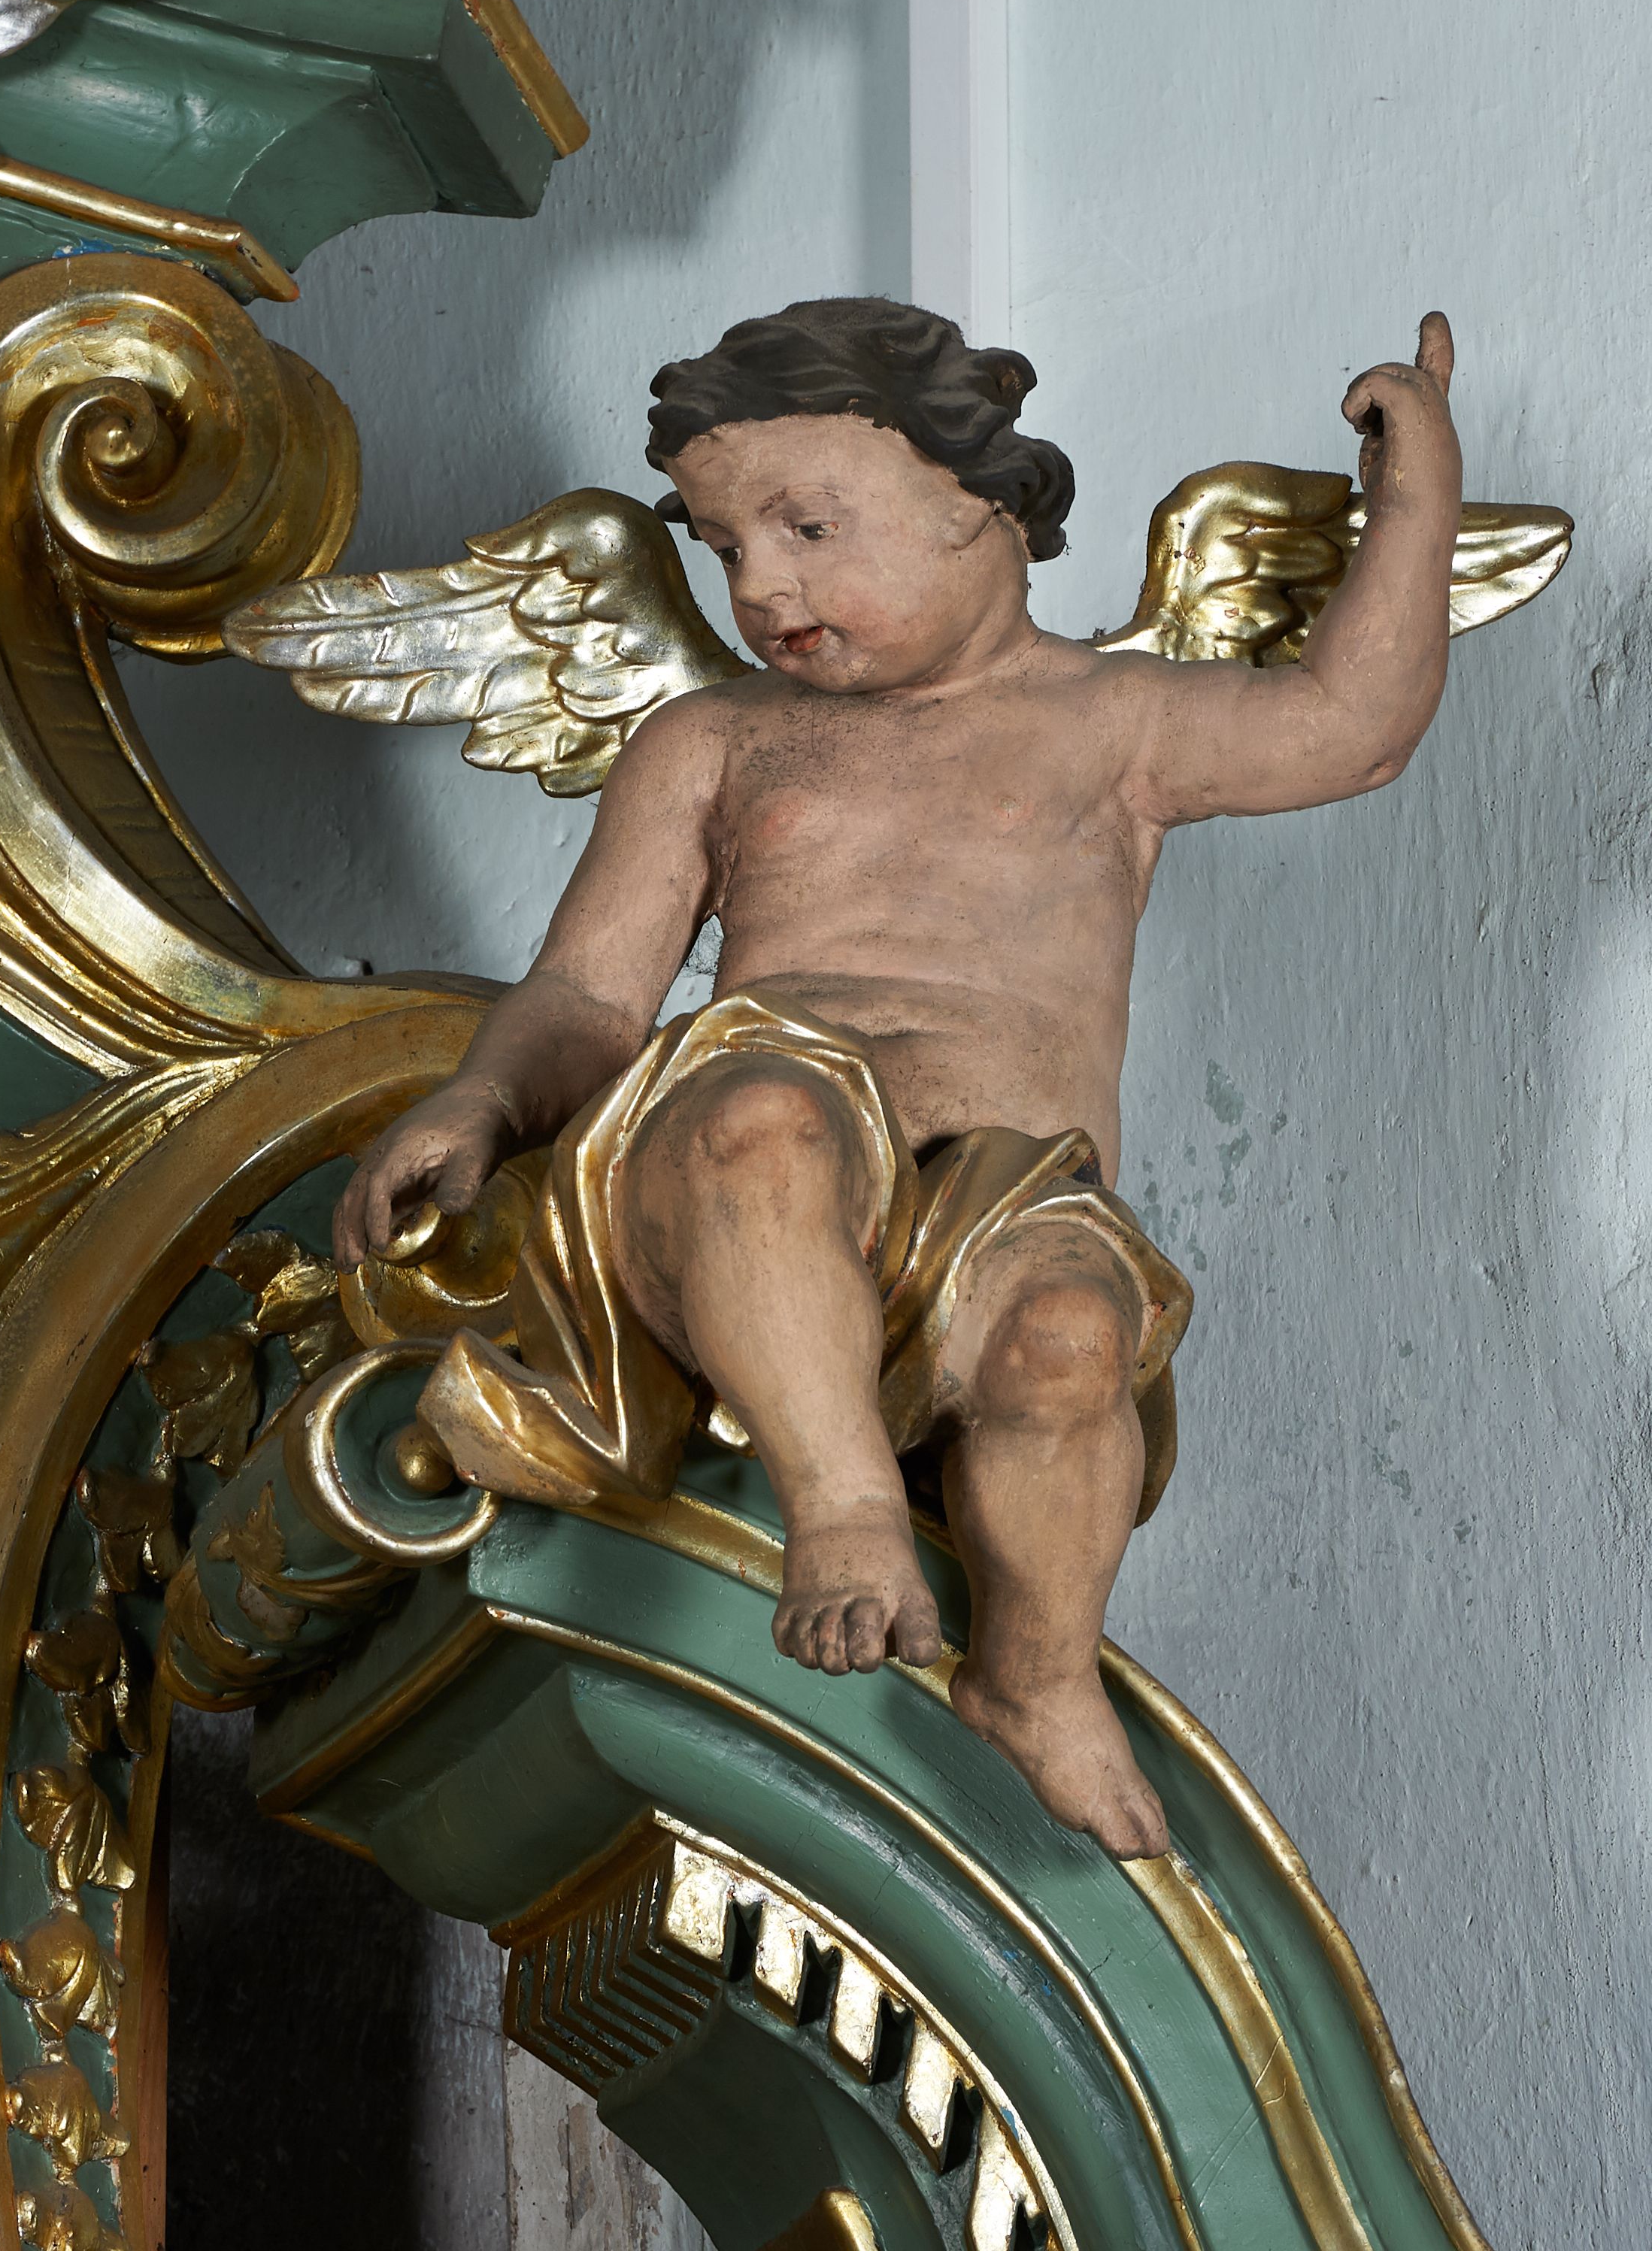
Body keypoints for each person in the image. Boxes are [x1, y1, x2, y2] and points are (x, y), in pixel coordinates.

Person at [332, 296, 1462, 1858]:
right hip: (739, 1179)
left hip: (992, 1196)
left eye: (805, 527)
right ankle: (847, 1510)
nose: (760, 584)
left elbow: (1354, 725)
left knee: (1071, 1337)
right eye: (726, 546)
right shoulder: (717, 742)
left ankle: (1037, 1676)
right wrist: (482, 1098)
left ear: (976, 503)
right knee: (766, 1121)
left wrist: (1414, 504)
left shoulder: (1115, 721)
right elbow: (591, 993)